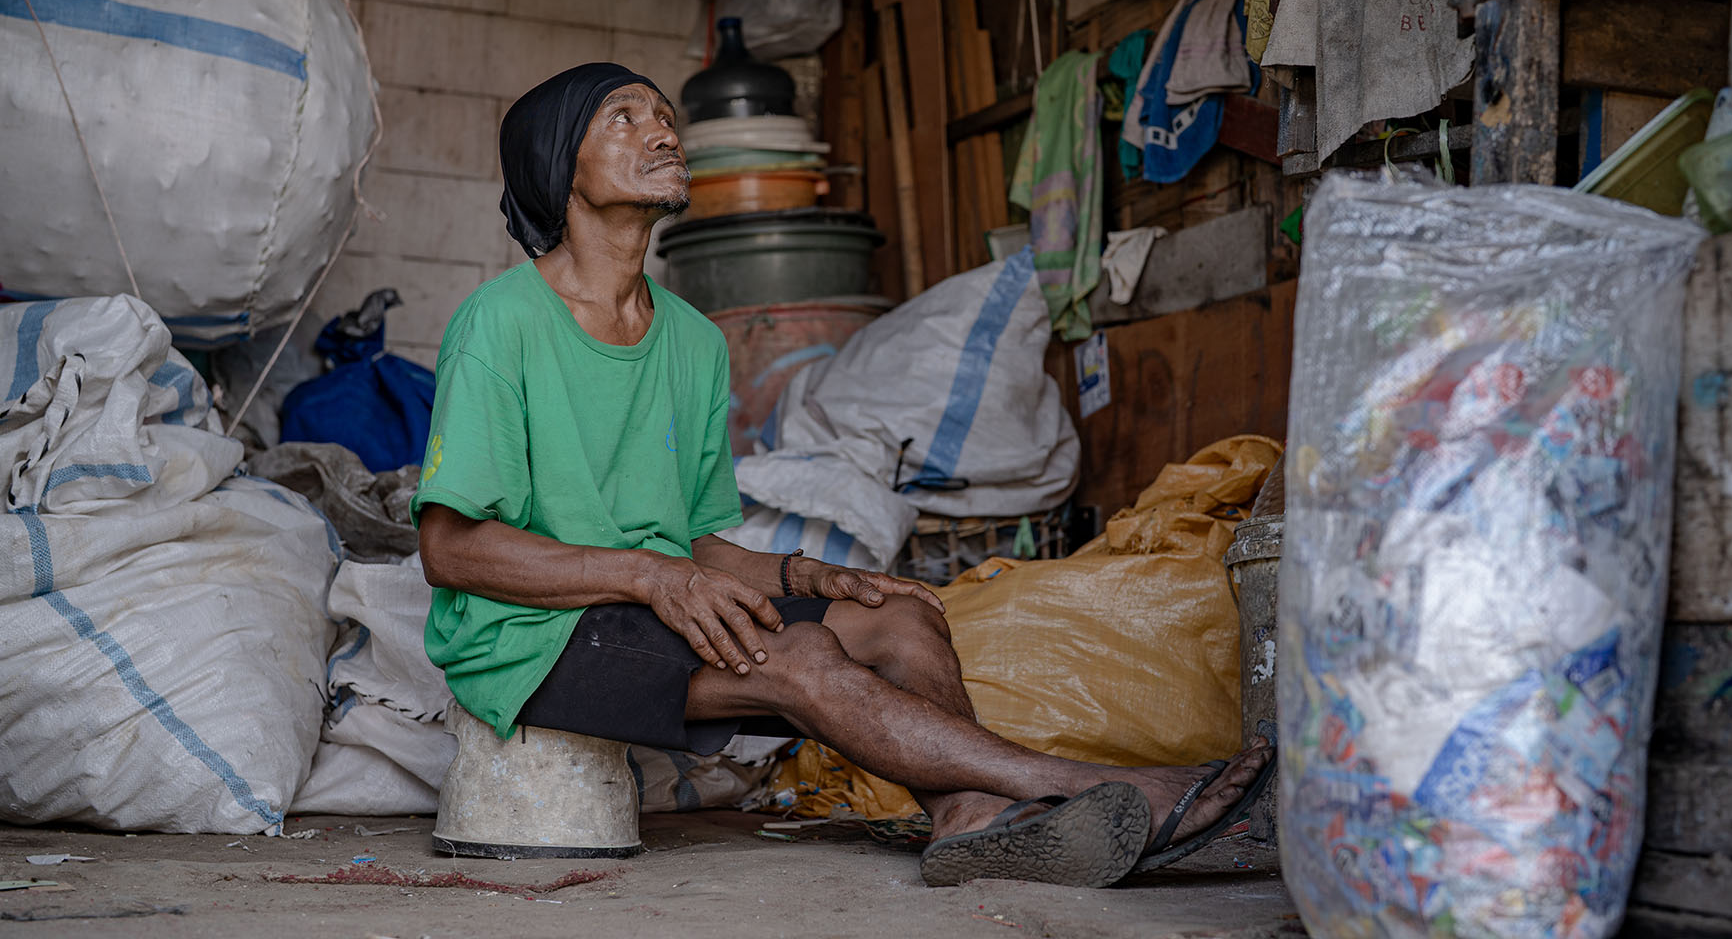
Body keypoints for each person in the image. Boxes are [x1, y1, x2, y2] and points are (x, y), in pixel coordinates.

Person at [412, 63, 1273, 888]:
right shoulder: (501, 323)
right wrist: (648, 575)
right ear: (558, 165)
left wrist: (808, 576)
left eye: (665, 116)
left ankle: (968, 818)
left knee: (900, 618)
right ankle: (1094, 786)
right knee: (801, 656)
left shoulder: (695, 341)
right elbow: (450, 552)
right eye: (625, 118)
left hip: (649, 611)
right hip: (529, 641)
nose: (664, 133)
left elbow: (692, 547)